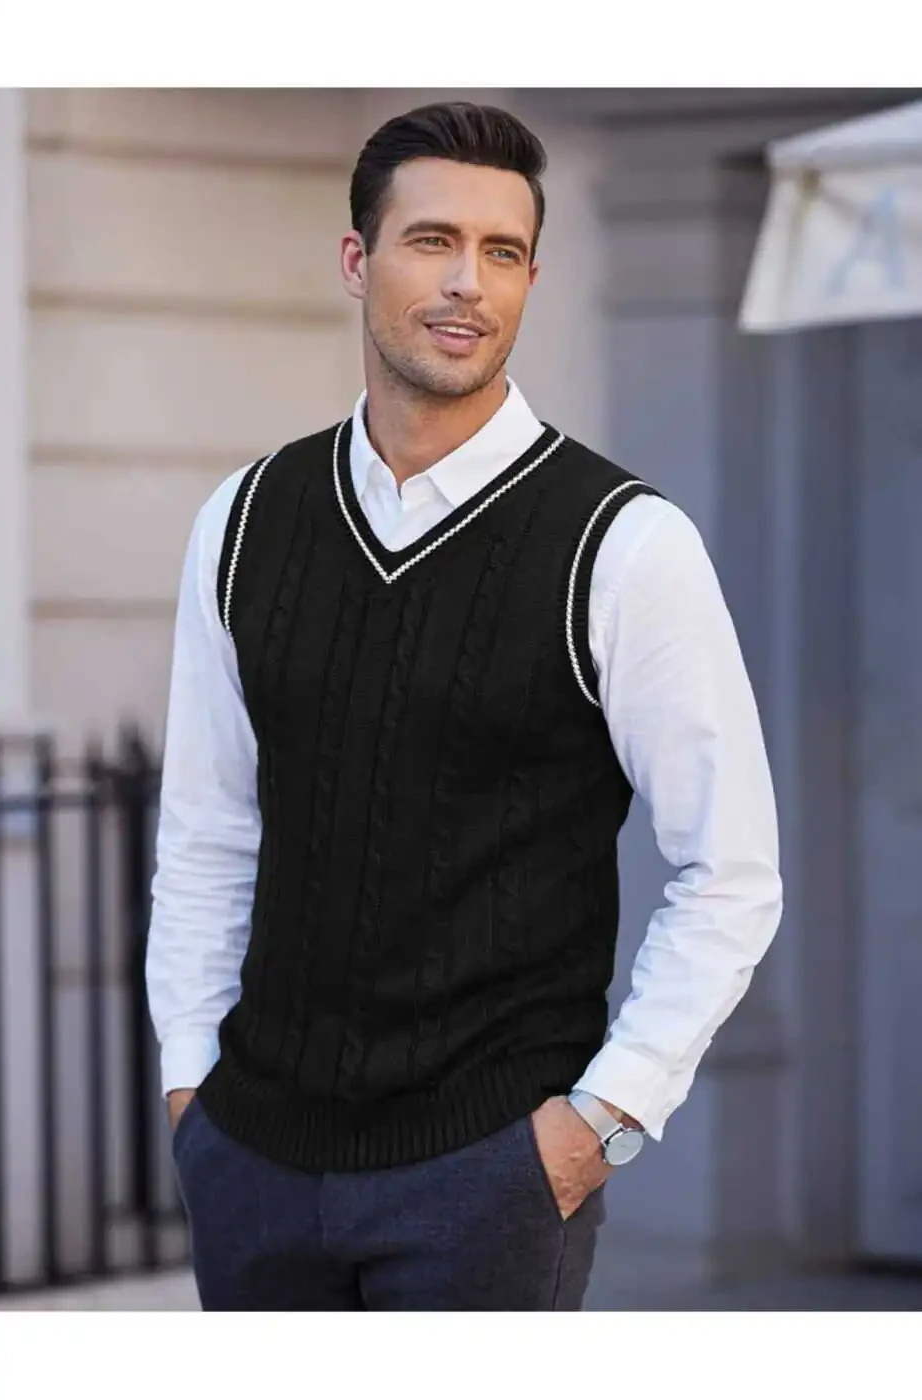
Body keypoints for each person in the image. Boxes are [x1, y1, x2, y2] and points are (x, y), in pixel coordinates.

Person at [145, 101, 782, 1311]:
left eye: (503, 252)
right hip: (253, 1165)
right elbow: (209, 831)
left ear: (532, 277)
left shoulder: (623, 544)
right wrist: (192, 1089)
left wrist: (600, 1123)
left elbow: (732, 871)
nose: (467, 284)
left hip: (487, 1176)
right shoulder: (245, 518)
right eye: (433, 240)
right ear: (357, 259)